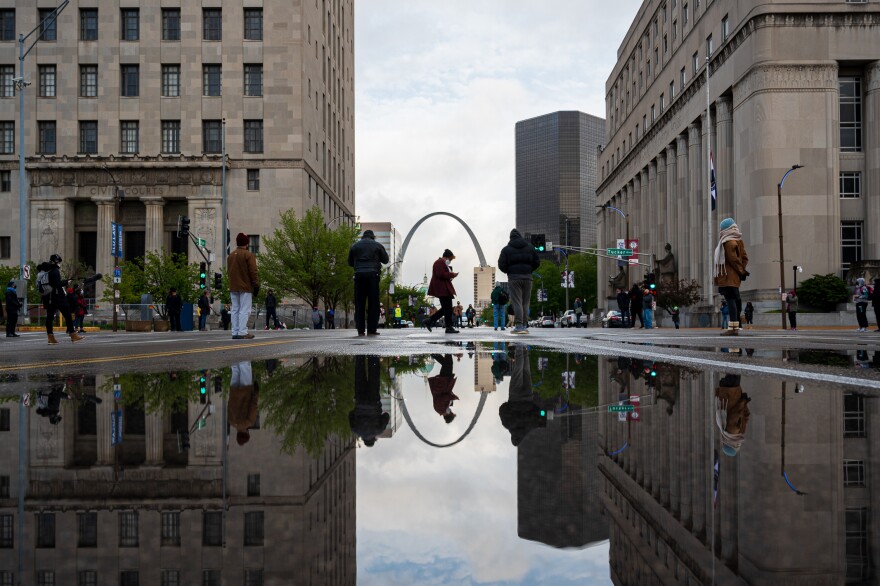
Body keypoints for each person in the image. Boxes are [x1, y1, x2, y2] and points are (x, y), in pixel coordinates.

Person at [499, 345, 544, 446]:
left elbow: (538, 413)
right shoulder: (508, 424)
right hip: (514, 397)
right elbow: (502, 409)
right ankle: (519, 348)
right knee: (517, 371)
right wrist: (510, 405)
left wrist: (531, 405)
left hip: (528, 397)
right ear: (512, 436)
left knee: (526, 372)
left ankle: (524, 350)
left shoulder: (529, 427)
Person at [347, 229, 389, 336]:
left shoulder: (355, 246)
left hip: (359, 276)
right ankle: (371, 329)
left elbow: (350, 262)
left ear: (363, 236)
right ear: (373, 236)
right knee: (373, 303)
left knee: (359, 304)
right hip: (373, 276)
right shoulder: (377, 245)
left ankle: (360, 330)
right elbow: (385, 260)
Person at [497, 229, 540, 334]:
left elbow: (501, 265)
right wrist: (529, 270)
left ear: (510, 238)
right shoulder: (530, 247)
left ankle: (519, 326)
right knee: (525, 302)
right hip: (528, 278)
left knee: (517, 302)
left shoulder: (506, 250)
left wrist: (509, 272)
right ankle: (525, 325)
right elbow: (537, 262)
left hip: (514, 278)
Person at [713, 217, 749, 336]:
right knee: (733, 300)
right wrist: (741, 270)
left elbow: (733, 259)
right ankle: (735, 327)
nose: (720, 231)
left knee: (730, 301)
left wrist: (740, 271)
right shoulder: (738, 240)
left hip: (728, 276)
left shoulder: (728, 241)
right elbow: (744, 258)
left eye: (721, 229)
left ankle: (733, 328)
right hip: (734, 277)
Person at [39, 254, 83, 345]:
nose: (59, 264)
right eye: (59, 262)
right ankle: (73, 335)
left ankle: (50, 338)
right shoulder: (55, 271)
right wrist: (67, 282)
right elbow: (57, 284)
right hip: (57, 297)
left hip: (48, 297)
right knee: (67, 315)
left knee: (49, 317)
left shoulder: (45, 272)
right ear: (56, 262)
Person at [349, 355, 390, 446]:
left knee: (374, 376)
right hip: (360, 401)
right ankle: (360, 356)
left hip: (373, 402)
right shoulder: (356, 430)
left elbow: (386, 416)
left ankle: (373, 357)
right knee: (359, 375)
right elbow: (350, 414)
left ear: (373, 439)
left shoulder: (378, 430)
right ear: (364, 440)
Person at [228, 233, 259, 340]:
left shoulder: (231, 255)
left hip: (233, 286)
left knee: (235, 309)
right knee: (244, 309)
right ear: (246, 243)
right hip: (245, 286)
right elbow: (253, 271)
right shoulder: (248, 255)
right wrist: (256, 284)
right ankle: (242, 331)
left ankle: (235, 331)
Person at [715, 374, 750, 457]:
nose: (739, 445)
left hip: (731, 393)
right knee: (732, 369)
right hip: (726, 392)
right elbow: (744, 417)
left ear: (732, 445)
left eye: (736, 446)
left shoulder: (733, 431)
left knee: (735, 368)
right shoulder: (725, 431)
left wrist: (743, 401)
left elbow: (735, 414)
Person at [425, 249, 459, 334]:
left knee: (446, 308)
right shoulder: (439, 262)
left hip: (444, 289)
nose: (450, 261)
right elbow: (441, 274)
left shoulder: (441, 263)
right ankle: (448, 327)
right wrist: (452, 274)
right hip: (442, 289)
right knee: (447, 308)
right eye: (450, 259)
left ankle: (430, 320)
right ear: (446, 257)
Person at [228, 361, 259, 446]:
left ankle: (243, 354)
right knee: (235, 369)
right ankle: (233, 355)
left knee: (245, 367)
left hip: (245, 393)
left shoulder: (248, 422)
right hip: (233, 392)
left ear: (247, 433)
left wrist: (256, 394)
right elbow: (229, 405)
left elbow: (253, 407)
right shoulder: (231, 421)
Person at [429, 354, 459, 423]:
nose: (452, 412)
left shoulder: (440, 409)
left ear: (449, 415)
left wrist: (453, 397)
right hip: (445, 382)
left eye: (452, 413)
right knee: (446, 364)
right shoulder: (444, 408)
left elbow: (442, 398)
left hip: (442, 383)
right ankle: (434, 353)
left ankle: (448, 347)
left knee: (448, 363)